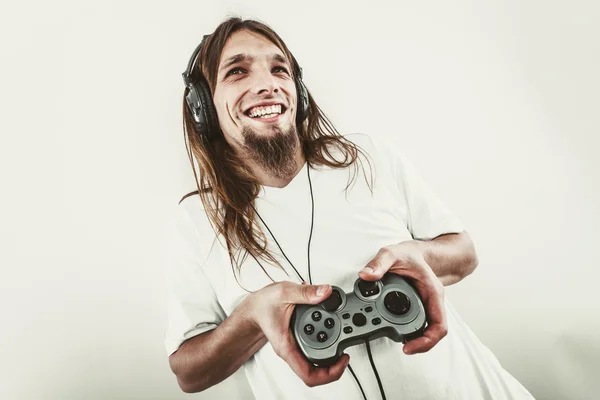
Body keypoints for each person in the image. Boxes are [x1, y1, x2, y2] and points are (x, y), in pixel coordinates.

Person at [162, 16, 535, 400]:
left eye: (279, 69)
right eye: (238, 71)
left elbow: (464, 253)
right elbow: (189, 373)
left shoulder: (368, 158)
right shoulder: (195, 223)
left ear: (299, 92)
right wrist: (251, 317)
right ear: (202, 106)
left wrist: (417, 254)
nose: (267, 84)